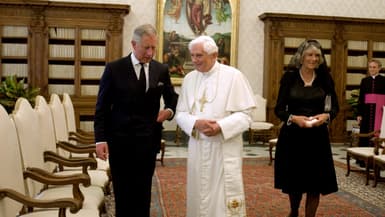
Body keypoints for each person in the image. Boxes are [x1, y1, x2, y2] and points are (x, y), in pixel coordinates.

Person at [94, 24, 178, 217]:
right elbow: (102, 108)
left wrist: (169, 111)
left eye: (154, 48)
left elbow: (172, 98)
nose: (150, 52)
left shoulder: (161, 69)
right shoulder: (114, 69)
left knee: (143, 192)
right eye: (146, 47)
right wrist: (100, 139)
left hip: (149, 142)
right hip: (120, 142)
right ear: (133, 44)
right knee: (124, 194)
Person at [175, 35, 256, 217]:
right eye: (192, 55)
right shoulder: (189, 79)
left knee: (222, 197)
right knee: (198, 195)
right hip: (198, 148)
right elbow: (180, 114)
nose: (194, 60)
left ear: (214, 55)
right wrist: (196, 122)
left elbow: (246, 115)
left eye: (199, 56)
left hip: (223, 149)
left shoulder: (234, 76)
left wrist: (220, 126)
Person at [274, 39, 339, 217]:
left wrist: (326, 116)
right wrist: (294, 119)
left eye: (317, 55)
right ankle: (294, 211)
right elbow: (279, 109)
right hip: (293, 137)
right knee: (294, 183)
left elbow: (335, 108)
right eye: (309, 54)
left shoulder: (325, 79)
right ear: (301, 57)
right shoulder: (289, 78)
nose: (313, 58)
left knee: (315, 184)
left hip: (317, 138)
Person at [356, 59, 385, 149]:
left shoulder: (384, 80)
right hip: (366, 111)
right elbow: (361, 98)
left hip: (380, 111)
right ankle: (363, 158)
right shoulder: (364, 80)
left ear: (379, 68)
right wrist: (359, 114)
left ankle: (377, 156)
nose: (372, 69)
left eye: (374, 67)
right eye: (370, 67)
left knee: (379, 131)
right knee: (365, 131)